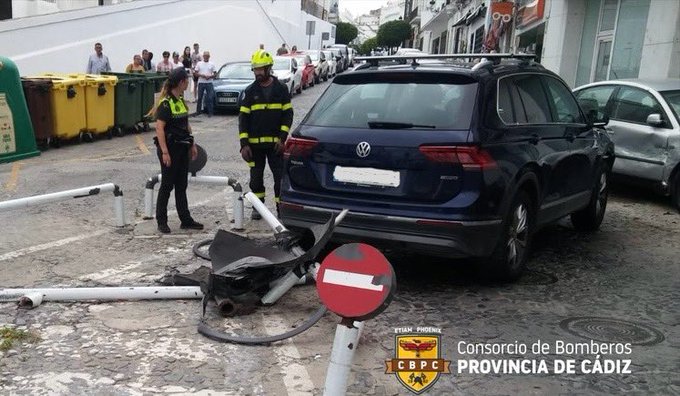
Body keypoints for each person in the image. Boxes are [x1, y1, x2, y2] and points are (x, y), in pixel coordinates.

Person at [238, 50, 293, 220]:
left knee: (279, 179)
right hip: (254, 147)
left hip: (275, 146)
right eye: (255, 69)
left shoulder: (281, 89)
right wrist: (244, 144)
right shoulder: (250, 91)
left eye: (261, 69)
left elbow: (287, 115)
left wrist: (282, 139)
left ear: (269, 68)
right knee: (255, 180)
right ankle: (258, 208)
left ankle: (280, 208)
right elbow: (243, 119)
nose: (258, 72)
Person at [149, 67, 204, 234]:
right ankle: (162, 221)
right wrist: (165, 152)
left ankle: (185, 220)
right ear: (181, 82)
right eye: (186, 80)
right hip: (170, 149)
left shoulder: (180, 101)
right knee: (167, 185)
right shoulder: (166, 104)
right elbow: (159, 129)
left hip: (182, 148)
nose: (188, 82)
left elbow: (186, 126)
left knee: (182, 185)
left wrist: (192, 144)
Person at [193, 51, 216, 117]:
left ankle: (210, 112)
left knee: (210, 98)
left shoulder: (212, 64)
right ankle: (198, 111)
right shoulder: (199, 63)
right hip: (201, 82)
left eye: (207, 56)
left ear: (209, 56)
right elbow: (195, 73)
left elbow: (215, 74)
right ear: (203, 56)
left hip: (209, 83)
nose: (206, 57)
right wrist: (201, 75)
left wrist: (210, 76)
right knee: (200, 97)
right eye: (205, 56)